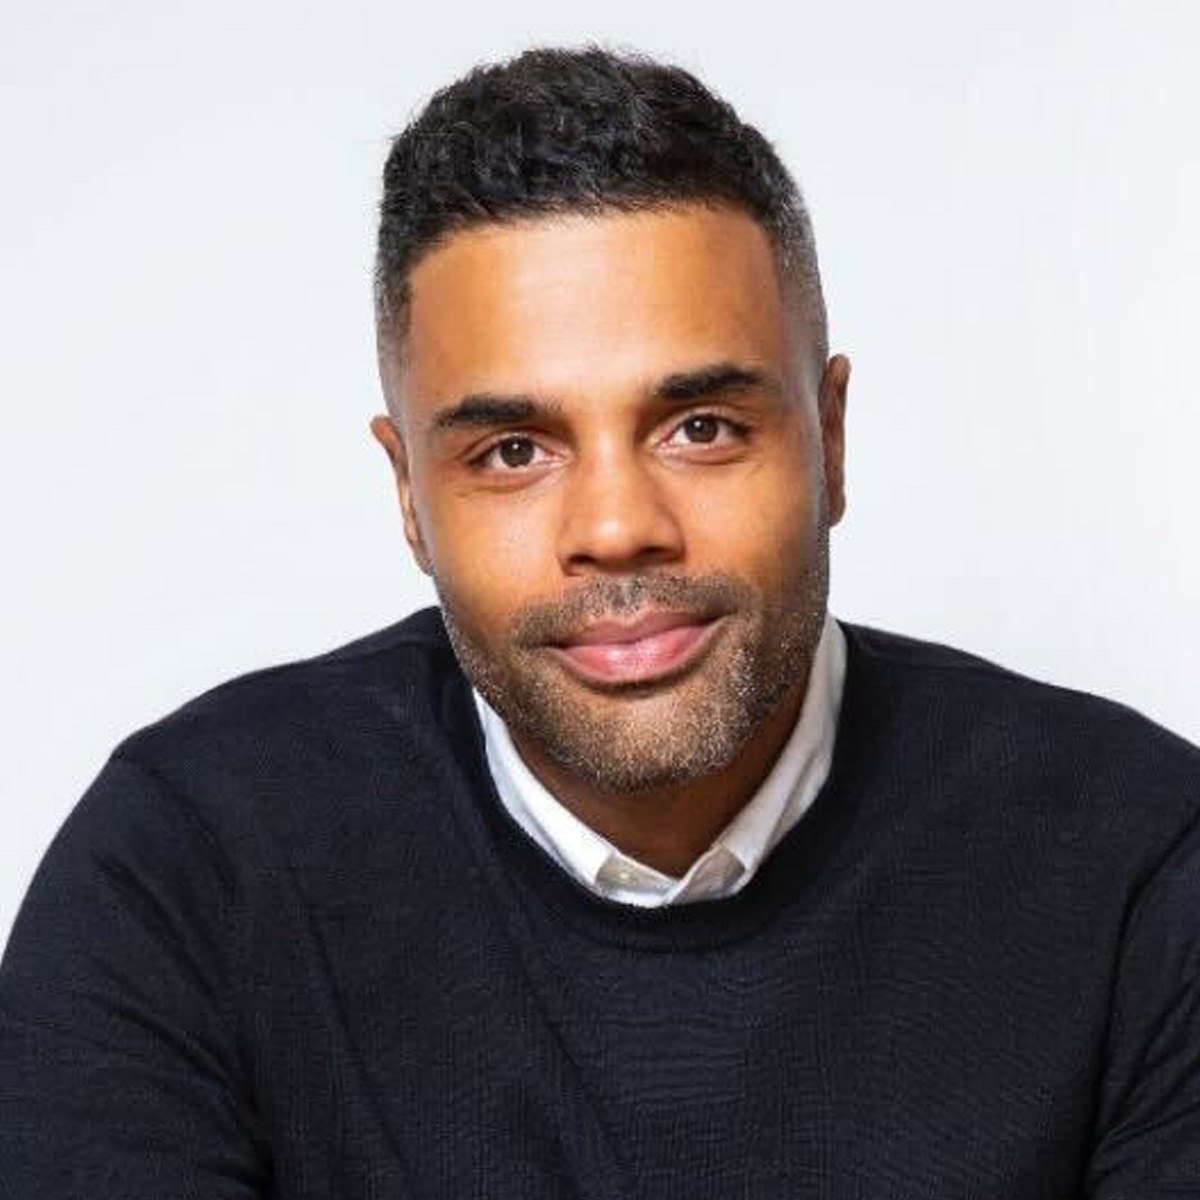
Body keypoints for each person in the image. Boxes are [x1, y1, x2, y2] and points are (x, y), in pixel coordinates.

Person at [2, 42, 1198, 1200]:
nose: (618, 528)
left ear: (830, 439)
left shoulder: (1144, 863)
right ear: (409, 496)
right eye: (512, 451)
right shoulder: (189, 870)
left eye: (701, 429)